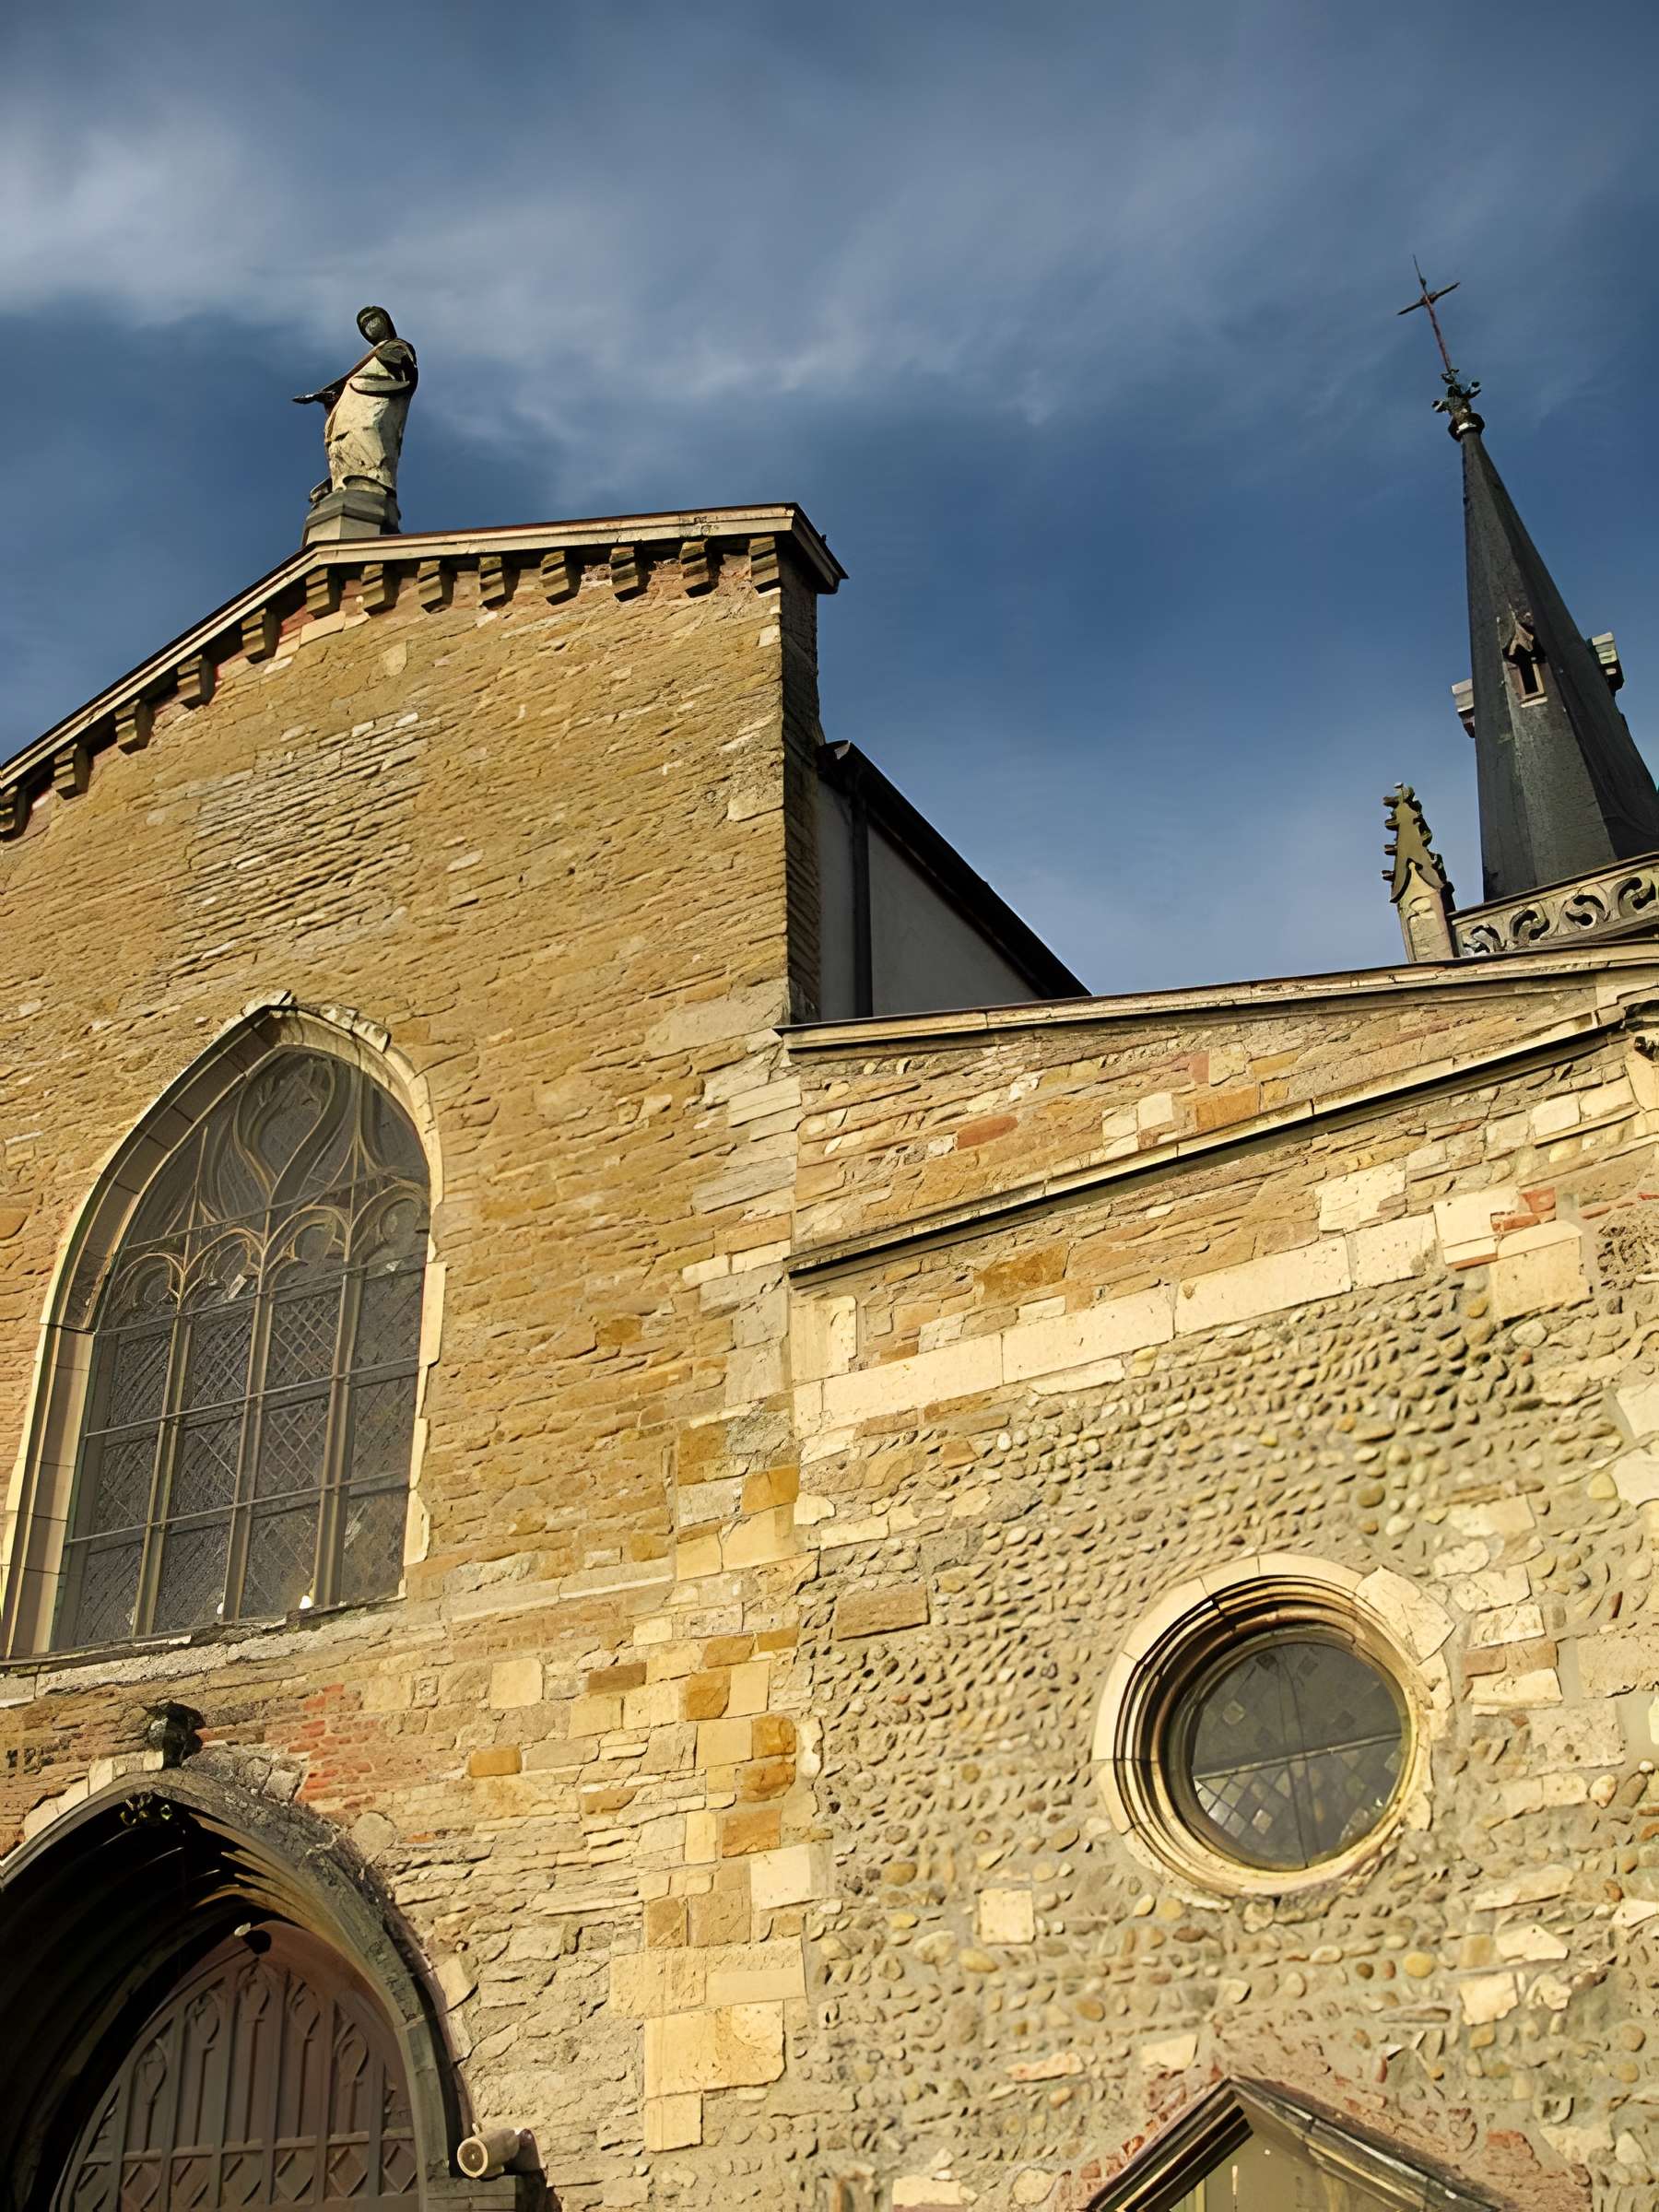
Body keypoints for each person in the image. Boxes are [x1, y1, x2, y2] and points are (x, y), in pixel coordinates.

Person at [294, 307, 418, 505]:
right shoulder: (367, 361)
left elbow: (406, 374)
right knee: (340, 441)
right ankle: (343, 484)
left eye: (373, 320)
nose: (370, 327)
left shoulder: (396, 346)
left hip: (375, 401)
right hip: (350, 405)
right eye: (365, 325)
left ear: (386, 322)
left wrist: (391, 359)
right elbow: (343, 384)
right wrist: (330, 395)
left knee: (368, 432)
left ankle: (373, 483)